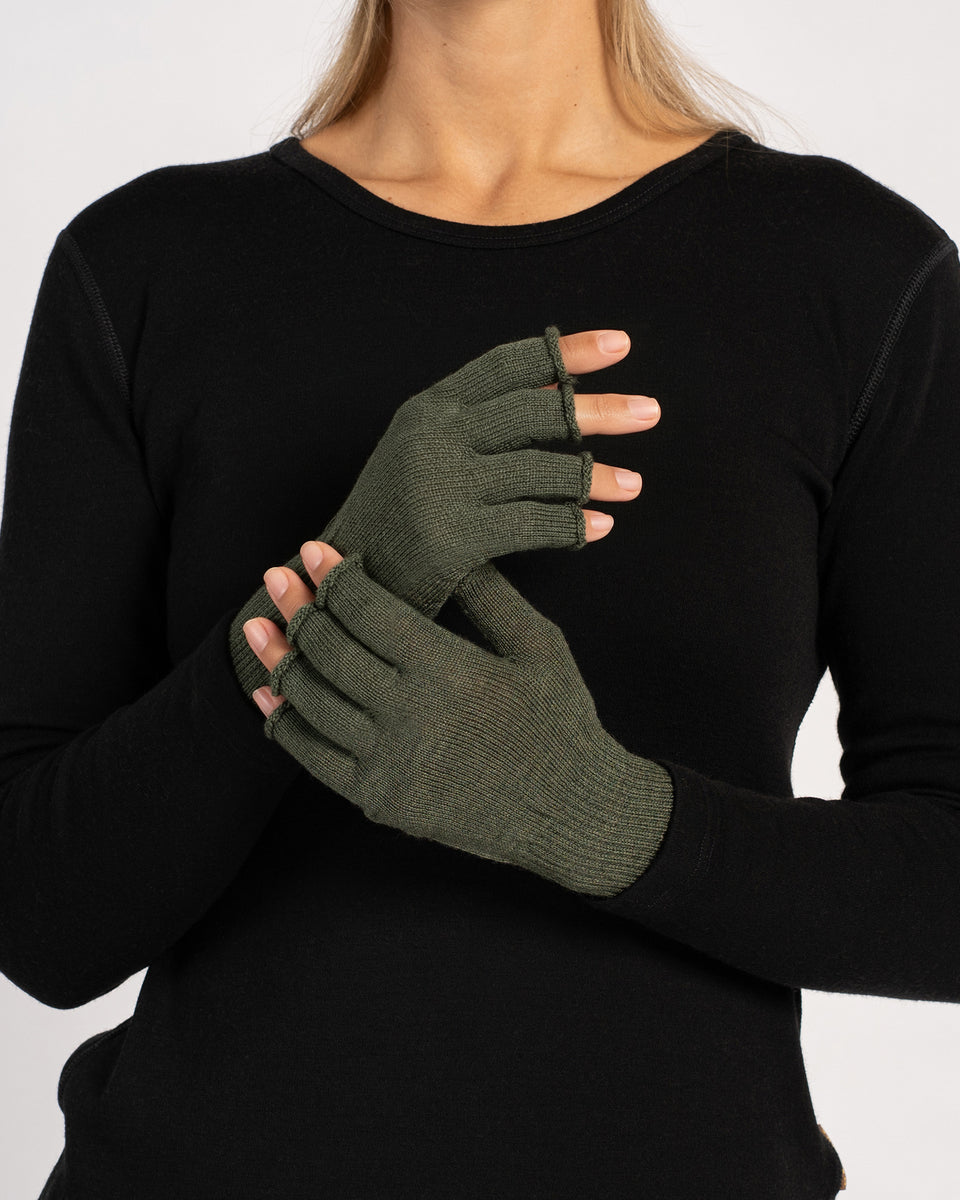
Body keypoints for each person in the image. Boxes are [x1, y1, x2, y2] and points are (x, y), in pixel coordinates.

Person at [2, 0, 958, 1195]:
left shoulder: (855, 274)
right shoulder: (145, 265)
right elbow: (44, 918)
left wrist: (608, 819)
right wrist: (350, 580)